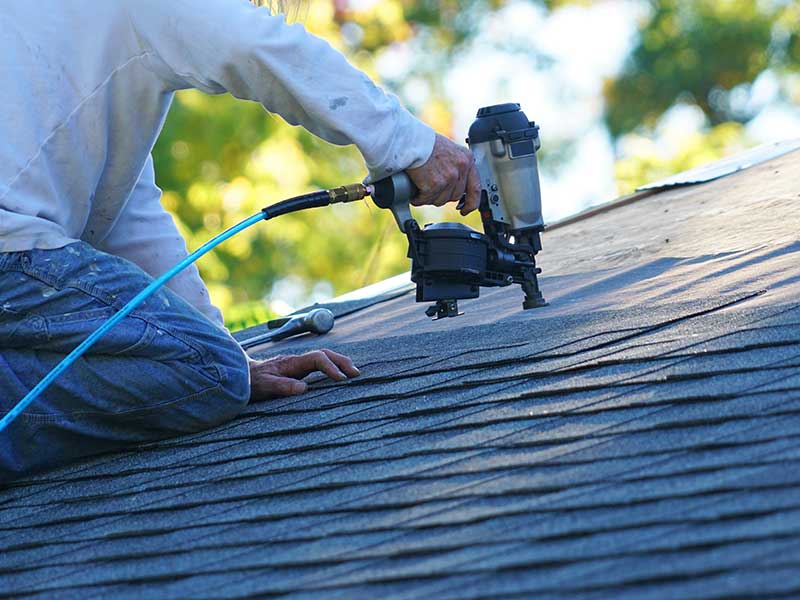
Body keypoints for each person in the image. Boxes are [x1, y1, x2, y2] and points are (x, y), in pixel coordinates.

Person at [0, 0, 480, 480]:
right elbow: (255, 45)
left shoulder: (84, 56)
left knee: (216, 368)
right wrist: (411, 144)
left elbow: (127, 215)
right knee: (210, 376)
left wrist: (227, 351)